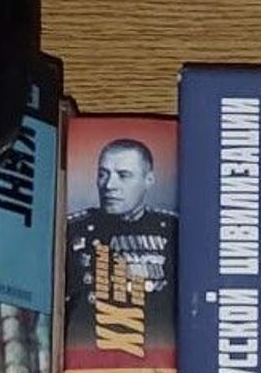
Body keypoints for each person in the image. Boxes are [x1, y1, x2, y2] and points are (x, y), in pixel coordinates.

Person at [65, 137, 177, 345]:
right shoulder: (73, 229)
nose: (109, 185)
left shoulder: (172, 230)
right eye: (103, 174)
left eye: (123, 176)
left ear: (148, 180)